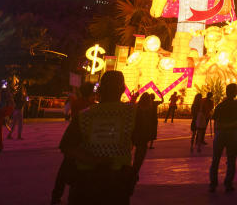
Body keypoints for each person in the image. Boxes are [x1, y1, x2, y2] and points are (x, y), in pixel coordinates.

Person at [63, 71, 136, 205]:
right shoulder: (133, 114)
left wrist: (94, 160)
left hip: (85, 180)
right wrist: (133, 173)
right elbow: (141, 146)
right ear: (122, 89)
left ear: (100, 90)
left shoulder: (83, 116)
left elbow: (66, 146)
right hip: (117, 181)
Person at [51, 82, 96, 205]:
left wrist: (75, 90)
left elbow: (73, 98)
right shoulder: (92, 106)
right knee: (78, 172)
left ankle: (56, 196)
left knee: (64, 170)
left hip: (72, 136)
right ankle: (73, 196)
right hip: (84, 139)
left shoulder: (76, 103)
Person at [209, 83, 237, 193]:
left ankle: (213, 184)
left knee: (216, 159)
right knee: (231, 160)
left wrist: (221, 128)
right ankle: (228, 184)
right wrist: (231, 126)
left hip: (220, 134)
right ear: (234, 93)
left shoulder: (220, 106)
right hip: (232, 134)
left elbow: (216, 122)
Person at [131, 93, 159, 177]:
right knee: (139, 157)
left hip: (135, 135)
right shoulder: (151, 110)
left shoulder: (136, 108)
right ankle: (134, 173)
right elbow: (154, 123)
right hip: (144, 137)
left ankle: (131, 172)